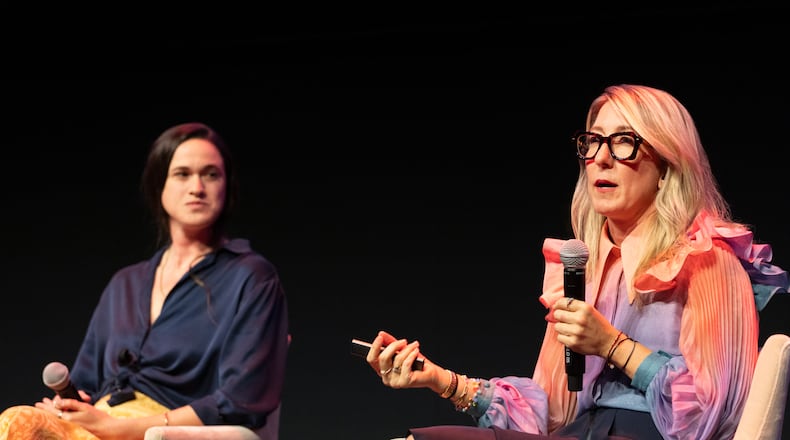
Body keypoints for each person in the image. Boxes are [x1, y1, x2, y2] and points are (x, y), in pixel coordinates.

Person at [363, 84, 788, 439]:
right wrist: (440, 380)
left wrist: (612, 346)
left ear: (666, 164)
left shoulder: (708, 263)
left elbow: (714, 415)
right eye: (593, 141)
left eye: (624, 142)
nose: (601, 158)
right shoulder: (583, 269)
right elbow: (548, 417)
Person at [0, 122, 290, 439]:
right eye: (182, 174)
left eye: (211, 174)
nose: (197, 187)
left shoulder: (251, 278)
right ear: (159, 185)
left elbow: (242, 400)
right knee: (18, 424)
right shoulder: (124, 284)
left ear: (227, 186)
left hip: (166, 431)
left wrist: (122, 428)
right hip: (100, 425)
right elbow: (86, 384)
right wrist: (70, 406)